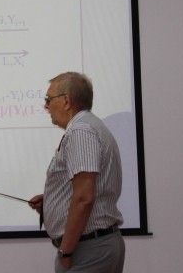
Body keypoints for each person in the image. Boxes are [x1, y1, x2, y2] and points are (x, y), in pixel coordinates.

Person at [29, 72, 125, 272]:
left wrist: (66, 251)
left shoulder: (81, 131)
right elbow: (88, 189)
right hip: (92, 246)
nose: (46, 107)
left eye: (48, 100)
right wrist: (54, 200)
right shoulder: (90, 126)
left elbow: (84, 198)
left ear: (66, 101)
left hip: (87, 249)